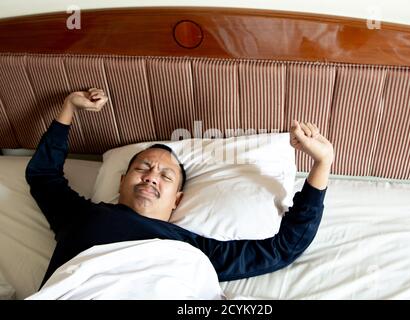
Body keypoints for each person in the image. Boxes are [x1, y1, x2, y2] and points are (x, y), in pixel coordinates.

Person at [26, 88, 334, 289]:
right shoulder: (81, 215)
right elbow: (42, 175)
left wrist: (322, 164)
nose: (150, 177)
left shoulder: (192, 248)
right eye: (142, 168)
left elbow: (282, 248)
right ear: (121, 181)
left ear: (178, 199)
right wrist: (69, 108)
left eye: (165, 176)